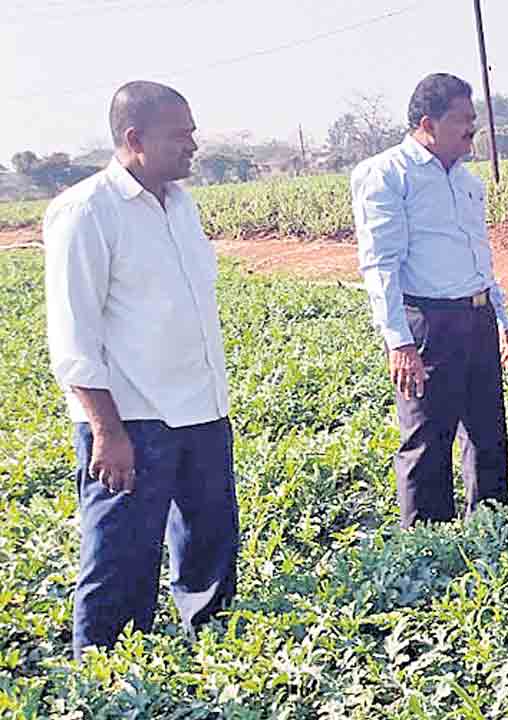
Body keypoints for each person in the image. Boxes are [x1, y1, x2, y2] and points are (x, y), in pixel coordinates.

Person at [43, 81, 239, 658]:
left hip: (201, 410)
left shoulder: (181, 205)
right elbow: (74, 338)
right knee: (120, 561)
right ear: (134, 139)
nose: (194, 145)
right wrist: (107, 432)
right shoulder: (86, 212)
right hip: (133, 420)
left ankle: (210, 658)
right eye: (181, 135)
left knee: (209, 550)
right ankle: (103, 680)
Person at [351, 73, 508, 528]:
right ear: (427, 123)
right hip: (429, 323)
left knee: (487, 433)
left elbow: (479, 256)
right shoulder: (388, 175)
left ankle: (491, 526)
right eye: (462, 120)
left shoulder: (468, 181)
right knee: (427, 439)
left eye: (473, 119)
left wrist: (501, 318)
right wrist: (398, 342)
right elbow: (380, 264)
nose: (472, 129)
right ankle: (429, 547)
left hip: (476, 316)